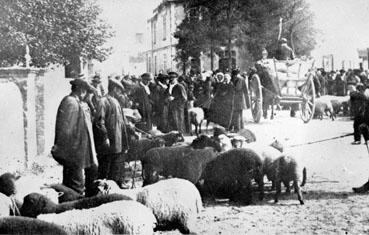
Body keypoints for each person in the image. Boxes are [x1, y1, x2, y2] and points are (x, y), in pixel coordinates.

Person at [51, 77, 98, 196]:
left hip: (78, 152)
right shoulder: (70, 103)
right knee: (75, 187)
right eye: (86, 92)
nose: (87, 96)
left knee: (77, 184)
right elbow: (67, 131)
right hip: (73, 153)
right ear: (82, 90)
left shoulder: (76, 102)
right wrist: (72, 154)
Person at [94, 78, 131, 188]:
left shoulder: (116, 101)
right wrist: (105, 137)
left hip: (118, 140)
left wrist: (129, 132)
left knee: (116, 165)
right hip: (109, 141)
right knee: (106, 166)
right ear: (114, 89)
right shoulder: (103, 101)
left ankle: (116, 185)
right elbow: (99, 122)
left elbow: (122, 121)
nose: (120, 93)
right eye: (119, 90)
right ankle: (104, 189)